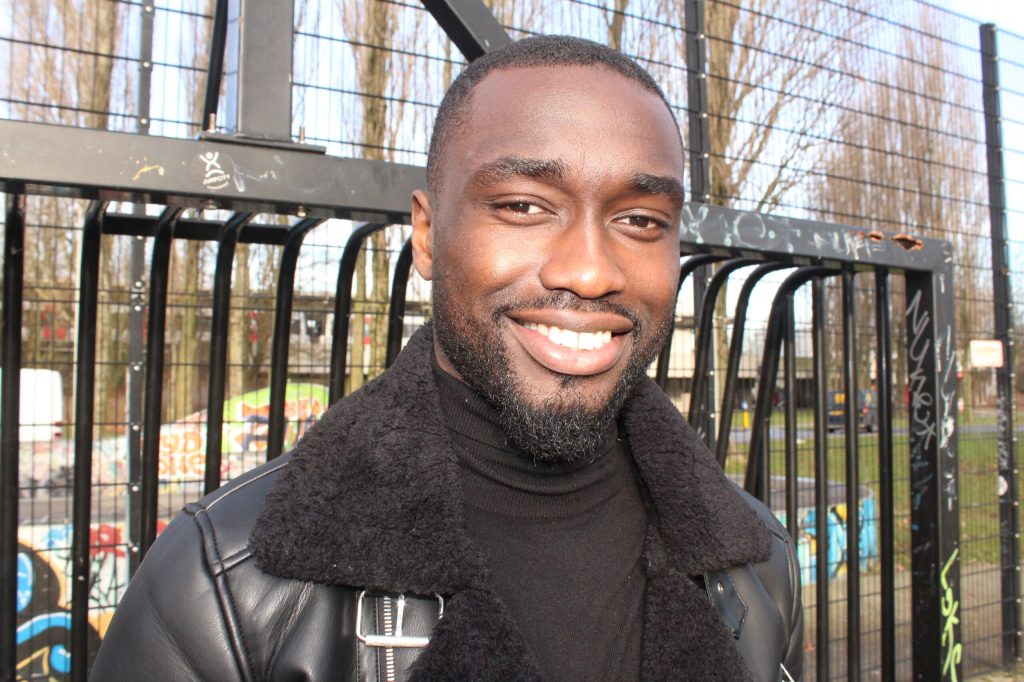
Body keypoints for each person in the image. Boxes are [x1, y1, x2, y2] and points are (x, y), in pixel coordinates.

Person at [92, 35, 801, 681]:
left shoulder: (757, 566)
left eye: (641, 220)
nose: (590, 272)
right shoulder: (227, 584)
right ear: (427, 236)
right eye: (524, 206)